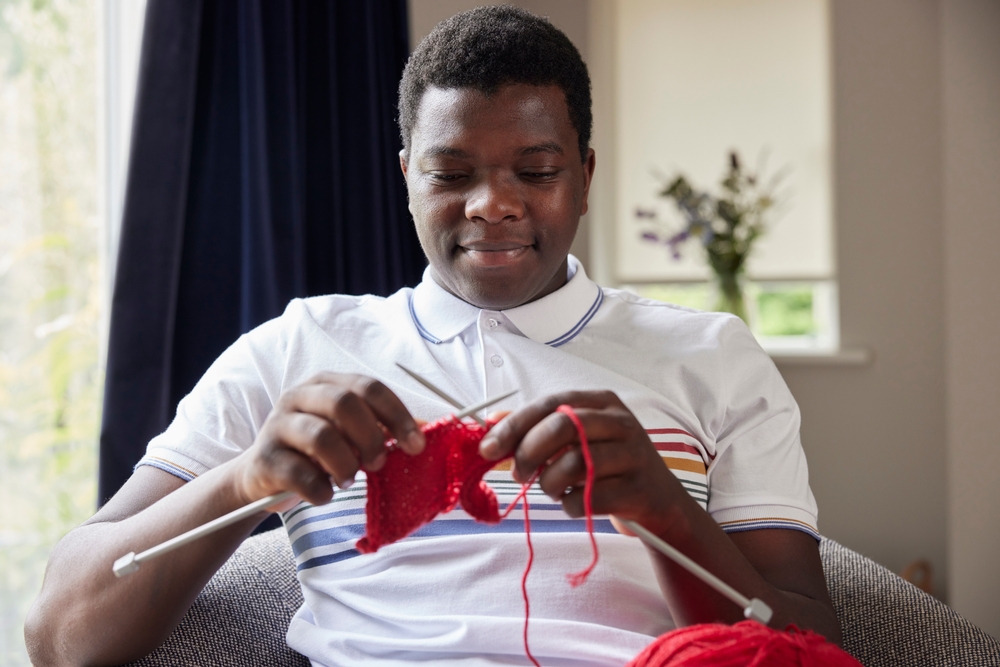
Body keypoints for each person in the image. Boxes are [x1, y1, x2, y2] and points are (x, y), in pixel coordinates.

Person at [25, 6, 840, 666]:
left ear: (585, 178)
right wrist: (245, 480)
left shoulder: (713, 356)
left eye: (536, 170)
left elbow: (811, 646)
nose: (491, 202)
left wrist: (665, 511)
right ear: (407, 174)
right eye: (451, 174)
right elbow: (61, 633)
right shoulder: (298, 346)